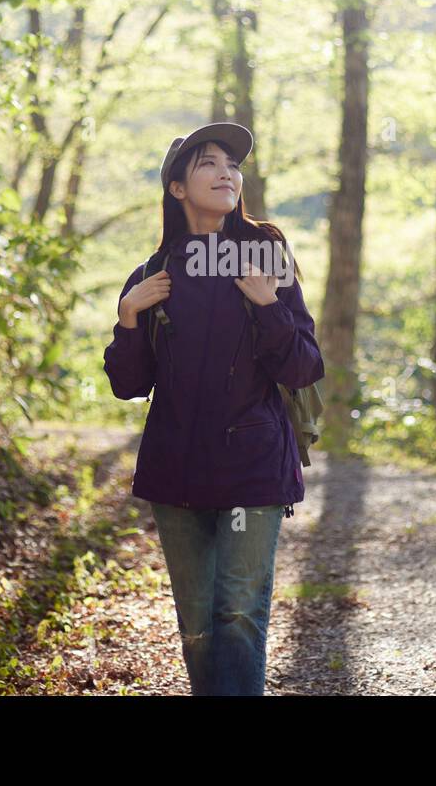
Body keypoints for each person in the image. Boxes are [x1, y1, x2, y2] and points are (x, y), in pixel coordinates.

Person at [102, 122, 325, 696]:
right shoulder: (153, 276)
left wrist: (270, 305)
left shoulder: (265, 257)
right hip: (175, 474)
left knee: (240, 617)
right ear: (177, 188)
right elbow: (129, 385)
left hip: (253, 470)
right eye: (208, 163)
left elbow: (304, 367)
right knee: (198, 627)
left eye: (232, 163)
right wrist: (129, 318)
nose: (227, 172)